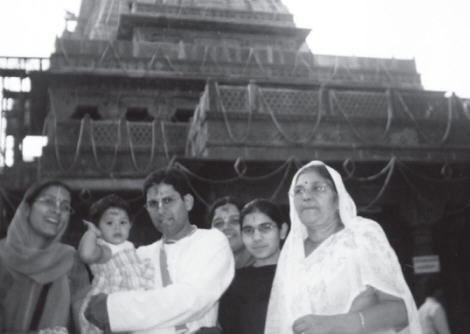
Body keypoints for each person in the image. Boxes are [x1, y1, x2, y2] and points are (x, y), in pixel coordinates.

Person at [265, 160, 422, 334]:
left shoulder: (361, 235)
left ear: (337, 198)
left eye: (318, 188)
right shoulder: (292, 254)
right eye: (298, 191)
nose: (306, 196)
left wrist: (342, 323)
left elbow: (402, 310)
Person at [85, 167, 235, 333]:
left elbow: (192, 299)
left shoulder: (211, 241)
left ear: (187, 202)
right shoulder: (140, 255)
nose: (161, 210)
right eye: (153, 204)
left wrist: (113, 308)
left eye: (168, 200)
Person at [0, 179, 90, 334]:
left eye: (65, 206)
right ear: (27, 209)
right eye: (48, 201)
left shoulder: (71, 261)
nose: (57, 210)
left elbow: (85, 321)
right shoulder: (2, 256)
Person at [78, 193, 154, 334]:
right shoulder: (105, 249)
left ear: (130, 225)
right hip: (109, 309)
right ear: (98, 228)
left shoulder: (129, 247)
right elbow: (86, 254)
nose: (117, 228)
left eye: (122, 222)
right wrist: (92, 233)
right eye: (109, 223)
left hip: (129, 311)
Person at [219, 199, 288, 334]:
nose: (256, 237)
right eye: (248, 230)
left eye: (265, 227)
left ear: (282, 230)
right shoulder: (233, 282)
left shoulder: (302, 273)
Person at [209, 196, 255, 268]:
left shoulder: (269, 268)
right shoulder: (204, 270)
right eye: (218, 223)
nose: (226, 227)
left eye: (235, 221)